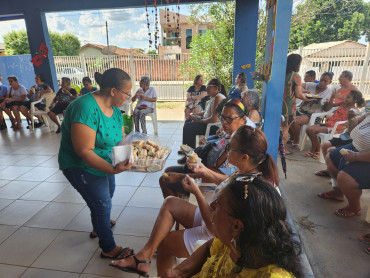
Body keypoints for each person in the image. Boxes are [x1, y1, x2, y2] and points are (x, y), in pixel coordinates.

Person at [109, 125, 280, 277]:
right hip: (215, 218)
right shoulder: (250, 171)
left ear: (244, 156)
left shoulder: (250, 189)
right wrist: (193, 174)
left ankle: (155, 266)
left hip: (218, 232)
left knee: (165, 244)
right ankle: (144, 257)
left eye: (230, 148)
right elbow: (227, 180)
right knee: (170, 202)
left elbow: (214, 226)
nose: (226, 149)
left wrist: (197, 192)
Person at [59, 68, 134, 260]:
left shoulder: (116, 110)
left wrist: (133, 155)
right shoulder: (84, 107)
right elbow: (83, 151)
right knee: (101, 203)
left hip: (105, 161)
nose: (129, 97)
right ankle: (108, 247)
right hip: (80, 164)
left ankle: (99, 223)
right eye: (127, 92)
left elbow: (120, 139)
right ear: (113, 91)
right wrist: (112, 169)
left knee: (107, 194)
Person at [163, 176, 301, 278]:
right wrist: (179, 272)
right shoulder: (237, 241)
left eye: (218, 204)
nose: (211, 206)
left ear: (236, 226)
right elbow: (209, 247)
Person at [162, 99, 249, 198]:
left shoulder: (237, 145)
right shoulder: (230, 135)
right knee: (168, 170)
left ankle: (179, 209)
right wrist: (193, 153)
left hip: (209, 184)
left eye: (229, 119)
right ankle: (179, 203)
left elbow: (223, 177)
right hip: (202, 171)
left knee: (164, 179)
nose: (224, 122)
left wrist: (182, 177)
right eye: (222, 117)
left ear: (243, 119)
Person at [318, 111, 370, 218]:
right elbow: (351, 130)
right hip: (356, 146)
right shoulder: (368, 114)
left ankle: (354, 208)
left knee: (345, 177)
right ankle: (338, 192)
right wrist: (352, 118)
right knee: (331, 157)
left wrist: (356, 157)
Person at [304, 90, 364, 159]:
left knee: (312, 130)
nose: (345, 98)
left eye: (348, 97)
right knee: (308, 129)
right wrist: (332, 97)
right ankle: (317, 149)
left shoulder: (353, 111)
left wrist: (342, 129)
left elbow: (350, 122)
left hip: (336, 128)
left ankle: (314, 150)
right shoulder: (343, 103)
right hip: (329, 124)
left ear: (354, 100)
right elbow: (331, 106)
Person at [288, 72, 334, 150]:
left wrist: (330, 100)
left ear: (330, 82)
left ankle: (296, 140)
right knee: (287, 118)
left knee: (294, 121)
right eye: (321, 80)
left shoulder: (329, 92)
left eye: (325, 81)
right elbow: (299, 86)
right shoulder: (311, 85)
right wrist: (304, 91)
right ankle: (293, 137)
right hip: (301, 110)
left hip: (313, 115)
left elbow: (326, 109)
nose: (322, 82)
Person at [182, 79, 226, 149]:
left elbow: (213, 119)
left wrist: (198, 120)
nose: (206, 88)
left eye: (209, 86)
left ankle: (189, 150)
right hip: (208, 122)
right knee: (188, 121)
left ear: (216, 88)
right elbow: (206, 113)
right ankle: (188, 149)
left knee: (188, 127)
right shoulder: (214, 97)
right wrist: (195, 115)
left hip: (213, 126)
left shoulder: (218, 98)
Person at [281, 54, 311, 153]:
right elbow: (298, 94)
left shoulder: (281, 74)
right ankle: (283, 149)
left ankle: (277, 147)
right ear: (297, 64)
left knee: (279, 128)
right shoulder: (295, 76)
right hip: (288, 106)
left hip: (278, 104)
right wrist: (307, 99)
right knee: (285, 129)